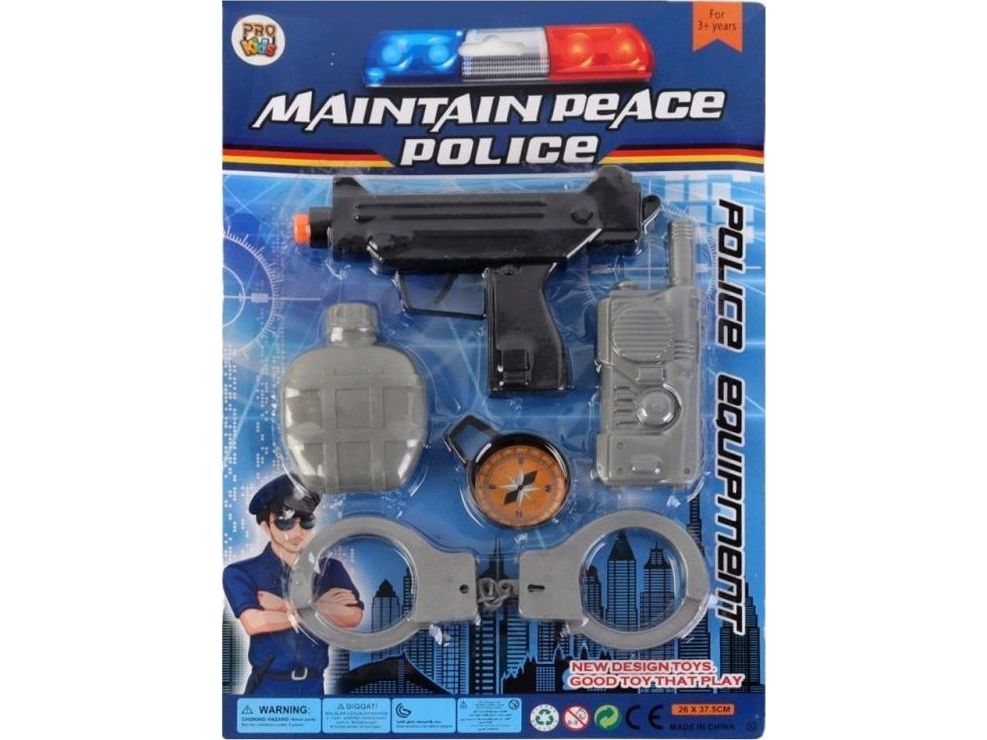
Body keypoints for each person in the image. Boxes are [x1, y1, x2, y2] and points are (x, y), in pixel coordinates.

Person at [223, 475, 364, 696]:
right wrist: (321, 606)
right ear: (265, 526)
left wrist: (282, 606)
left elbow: (353, 617)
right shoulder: (241, 572)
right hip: (267, 687)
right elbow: (255, 622)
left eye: (306, 520)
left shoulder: (330, 569)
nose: (298, 533)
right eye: (285, 521)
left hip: (314, 686)